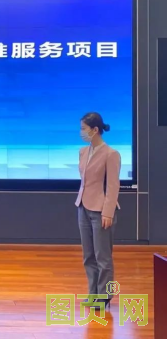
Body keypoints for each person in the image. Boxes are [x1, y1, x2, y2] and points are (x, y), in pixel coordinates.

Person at [75, 112, 121, 309]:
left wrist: (108, 212)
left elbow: (113, 186)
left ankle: (105, 296)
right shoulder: (83, 152)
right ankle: (93, 293)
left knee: (103, 257)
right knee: (89, 255)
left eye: (84, 129)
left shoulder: (111, 154)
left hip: (101, 210)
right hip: (83, 206)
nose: (81, 132)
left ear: (95, 130)